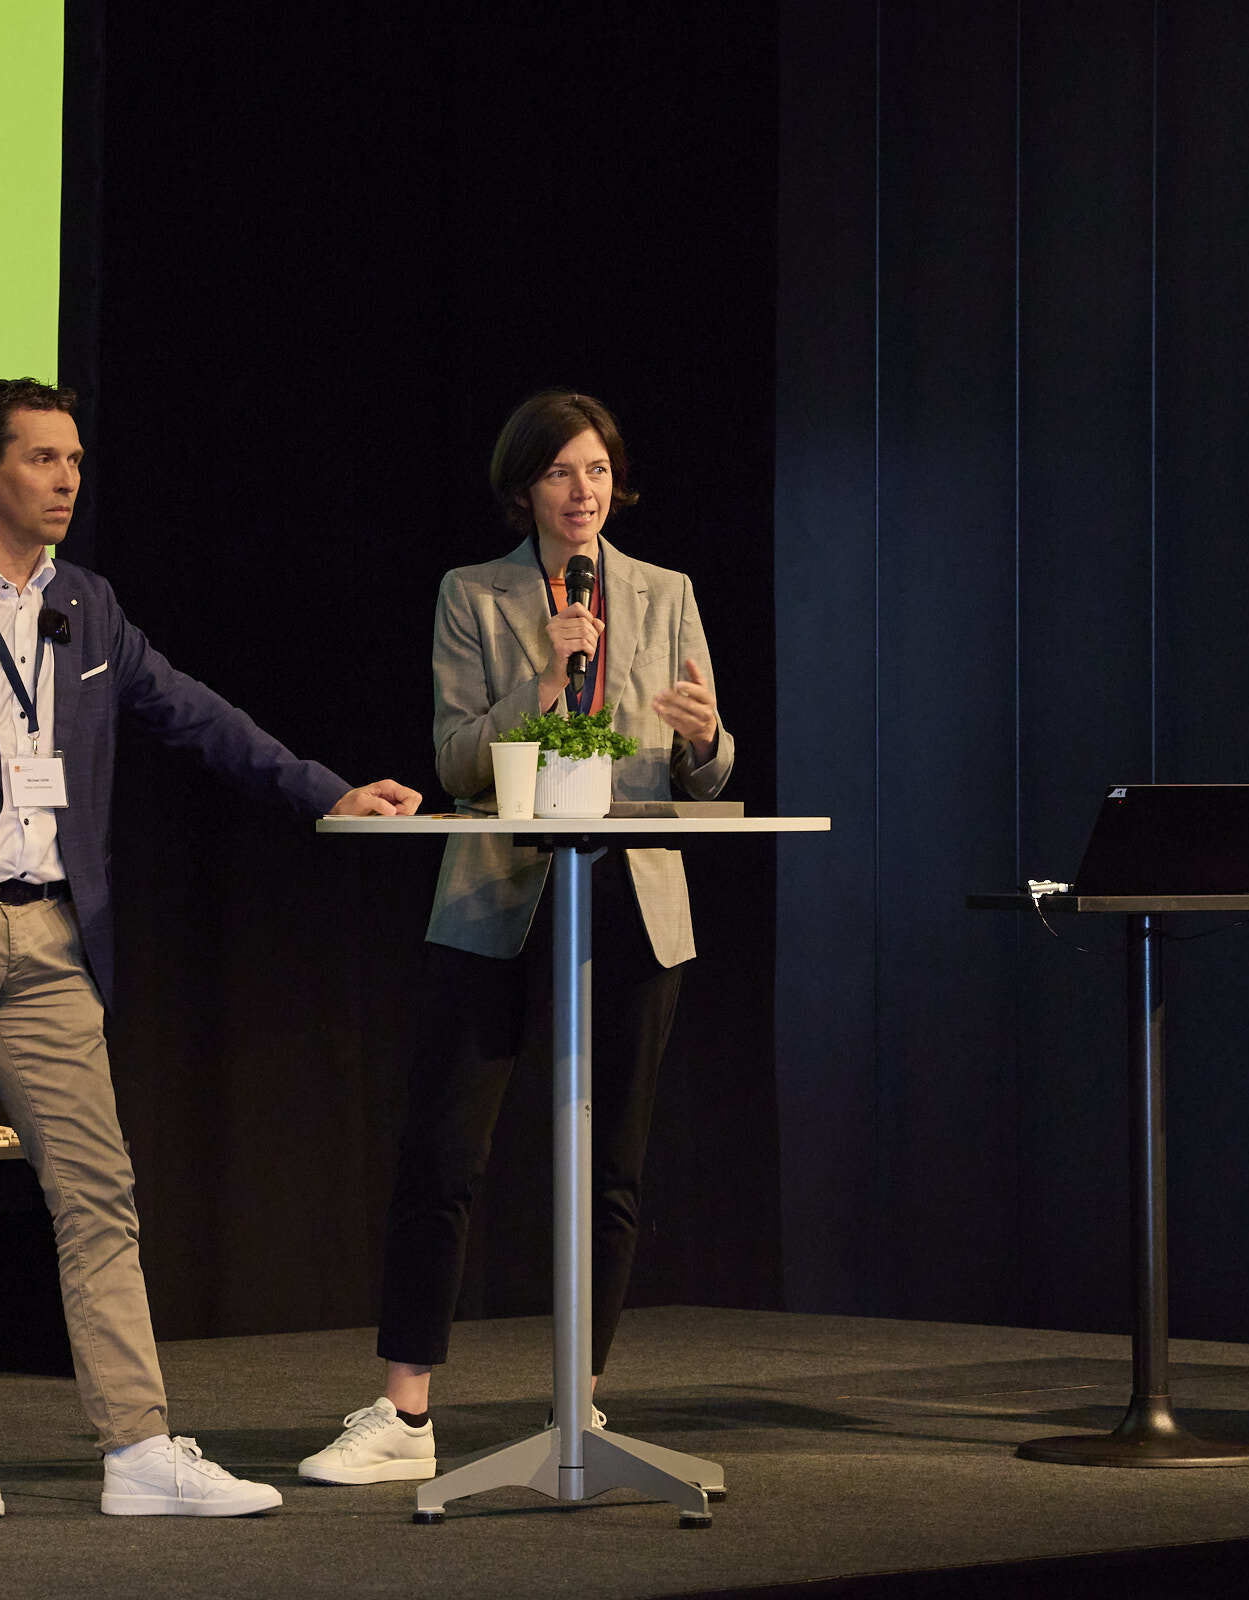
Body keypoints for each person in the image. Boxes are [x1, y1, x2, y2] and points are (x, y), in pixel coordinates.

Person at [0, 377, 421, 1519]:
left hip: (53, 933)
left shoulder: (87, 605)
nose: (68, 480)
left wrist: (326, 793)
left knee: (99, 1192)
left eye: (76, 459)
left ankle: (137, 1448)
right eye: (44, 458)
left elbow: (194, 712)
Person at [297, 391, 732, 1485]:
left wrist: (706, 739)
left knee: (613, 1162)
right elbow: (455, 759)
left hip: (633, 894)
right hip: (498, 894)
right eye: (559, 473)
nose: (582, 493)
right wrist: (542, 679)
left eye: (597, 471)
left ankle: (580, 1402)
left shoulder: (667, 592)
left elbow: (707, 770)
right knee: (444, 1150)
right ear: (525, 487)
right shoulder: (474, 595)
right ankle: (405, 1414)